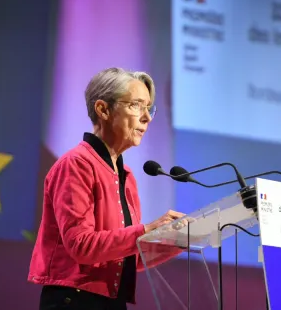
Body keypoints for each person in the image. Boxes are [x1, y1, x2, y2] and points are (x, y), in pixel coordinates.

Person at [28, 68, 185, 310]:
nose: (147, 117)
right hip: (74, 300)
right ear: (103, 109)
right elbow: (81, 245)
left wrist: (178, 240)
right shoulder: (76, 164)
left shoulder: (127, 177)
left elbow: (125, 256)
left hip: (112, 302)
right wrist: (146, 229)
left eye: (149, 108)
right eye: (136, 105)